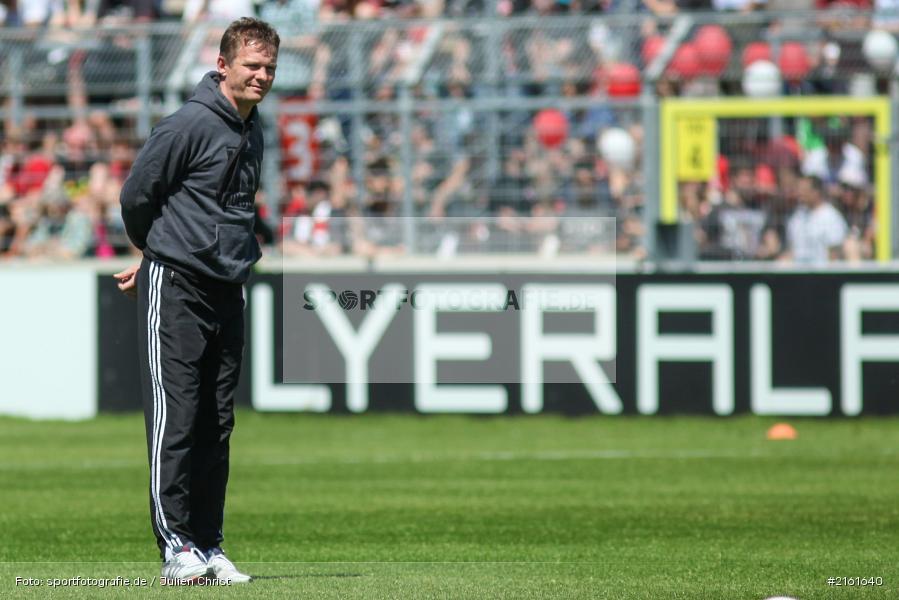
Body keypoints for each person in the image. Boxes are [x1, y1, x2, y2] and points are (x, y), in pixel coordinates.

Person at [113, 17, 279, 583]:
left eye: (269, 68)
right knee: (175, 417)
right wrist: (155, 254)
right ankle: (176, 547)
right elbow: (137, 196)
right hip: (177, 284)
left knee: (216, 421)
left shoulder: (255, 129)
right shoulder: (186, 124)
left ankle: (209, 545)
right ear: (223, 65)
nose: (261, 76)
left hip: (226, 287)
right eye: (252, 66)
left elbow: (229, 209)